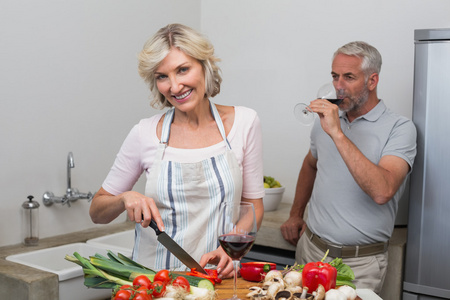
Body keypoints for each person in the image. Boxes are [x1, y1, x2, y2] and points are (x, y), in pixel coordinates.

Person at [89, 23, 265, 278]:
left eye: (183, 70)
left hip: (217, 278)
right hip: (153, 283)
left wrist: (230, 250)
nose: (174, 86)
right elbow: (97, 212)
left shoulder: (245, 123)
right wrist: (124, 197)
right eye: (162, 76)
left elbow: (253, 206)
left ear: (204, 66)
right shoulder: (144, 133)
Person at [280, 41, 417, 293]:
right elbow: (311, 164)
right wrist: (296, 213)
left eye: (349, 77)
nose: (338, 86)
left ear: (372, 81)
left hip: (361, 263)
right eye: (335, 76)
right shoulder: (327, 119)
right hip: (311, 250)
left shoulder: (400, 128)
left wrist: (338, 134)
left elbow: (382, 191)